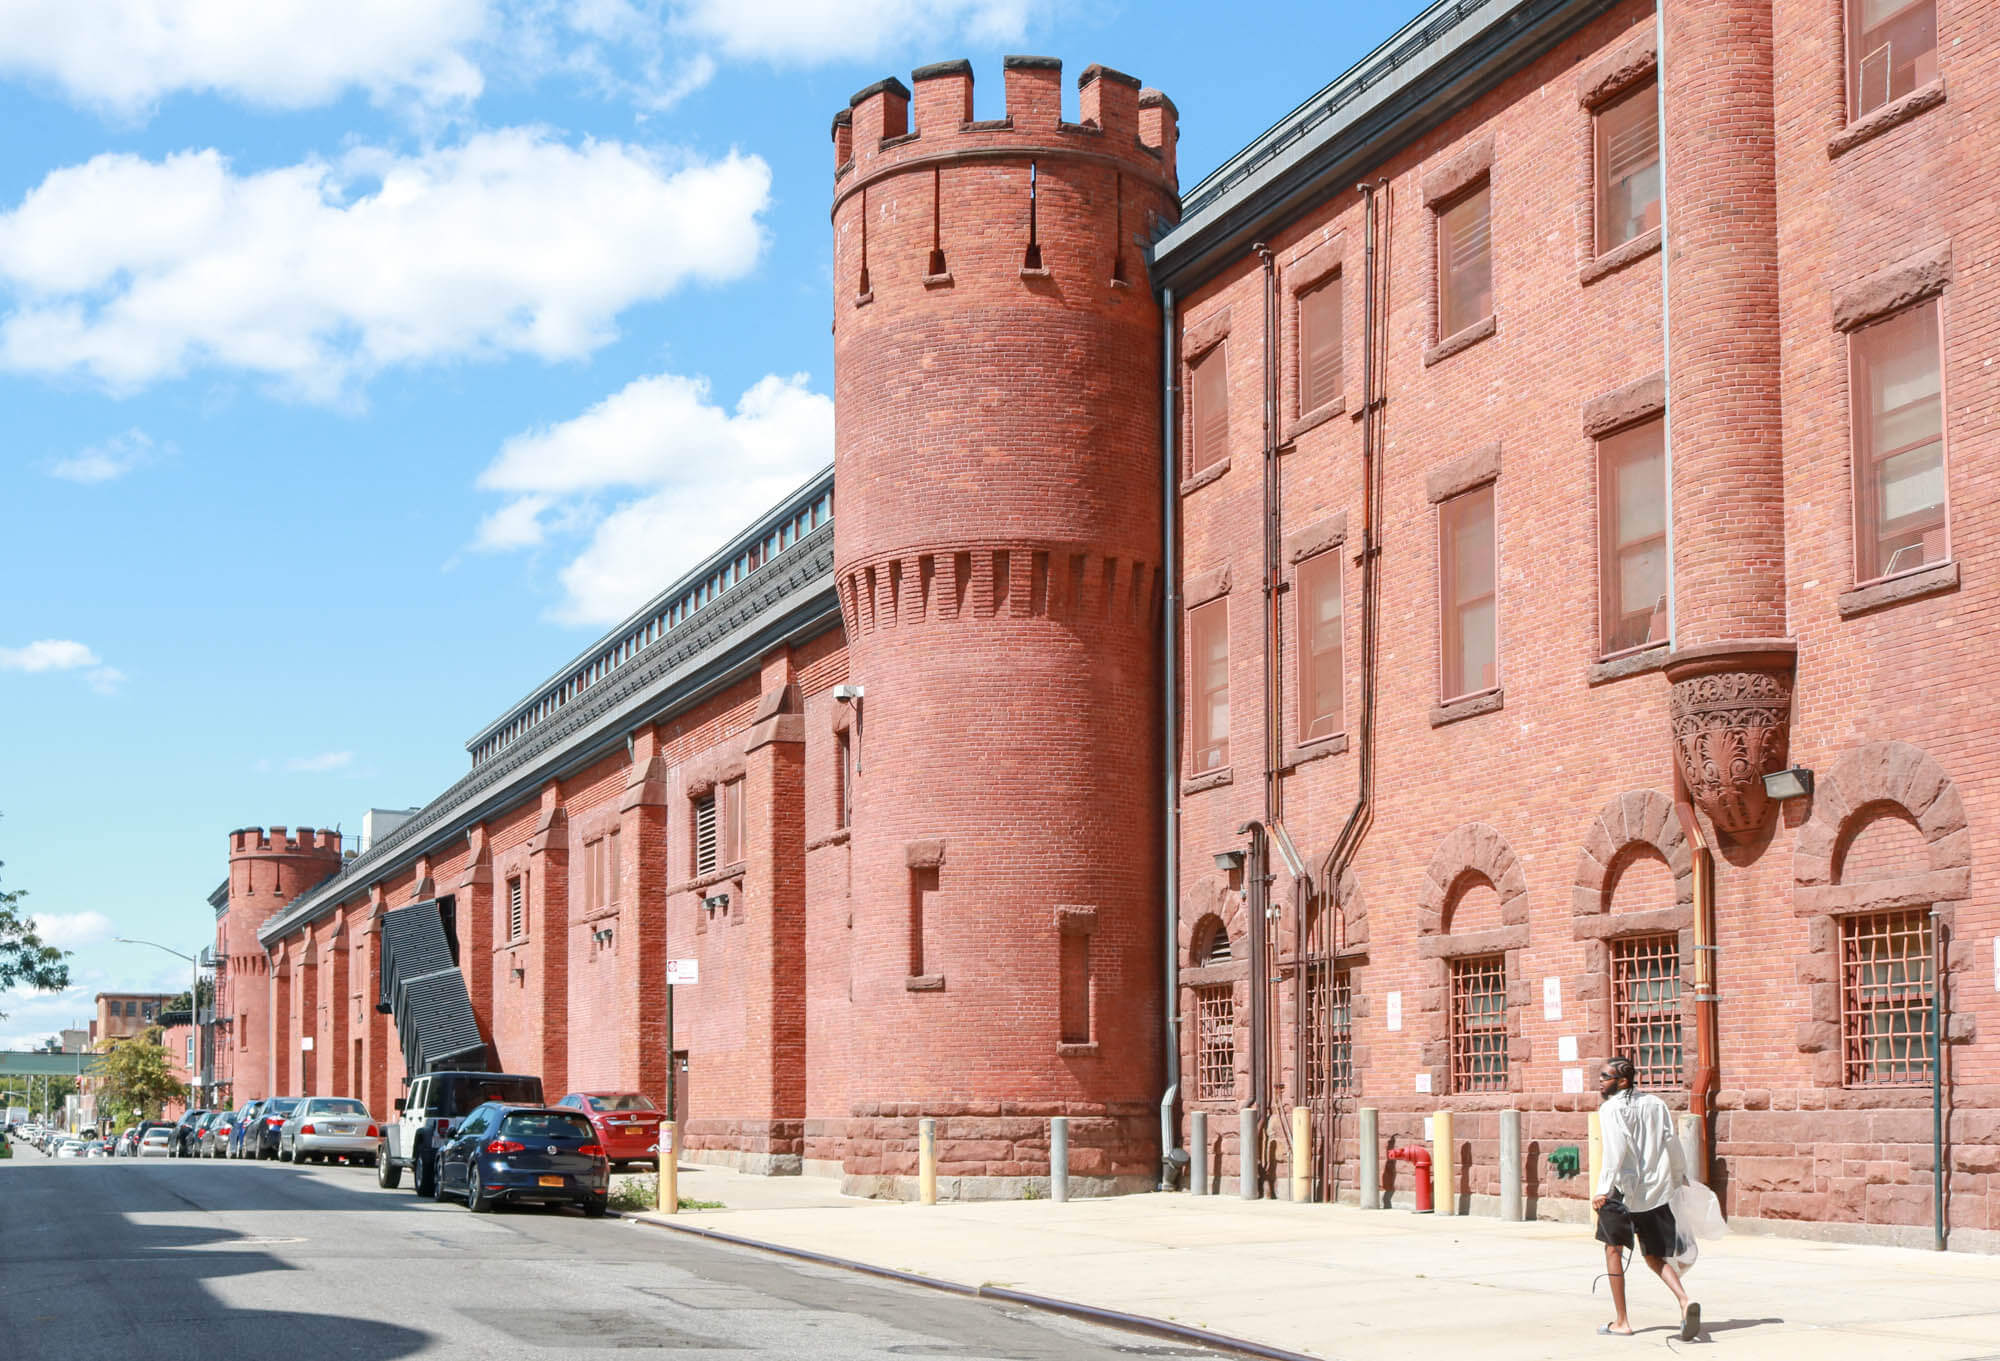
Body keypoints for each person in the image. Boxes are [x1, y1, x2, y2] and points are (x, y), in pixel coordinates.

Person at [1592, 1056, 1699, 1340]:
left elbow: (1614, 1151)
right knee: (1654, 1255)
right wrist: (1679, 1176)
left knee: (1613, 1251)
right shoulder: (1656, 1104)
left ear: (1623, 1080)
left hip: (1621, 1191)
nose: (1600, 1081)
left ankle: (1622, 1321)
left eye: (1604, 1076)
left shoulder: (1610, 1109)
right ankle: (1684, 1300)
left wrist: (1602, 1189)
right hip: (1655, 1191)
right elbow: (1671, 1141)